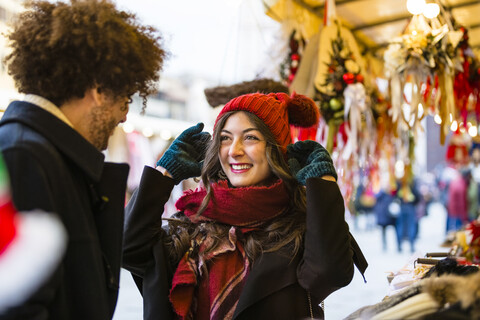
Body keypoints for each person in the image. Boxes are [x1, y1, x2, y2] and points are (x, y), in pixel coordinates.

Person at [123, 92, 368, 319]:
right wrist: (164, 173)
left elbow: (330, 273)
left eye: (250, 137)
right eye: (225, 139)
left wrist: (322, 182)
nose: (234, 151)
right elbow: (128, 249)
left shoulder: (301, 224)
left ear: (277, 150)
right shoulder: (191, 222)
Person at [0, 1, 165, 319]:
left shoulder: (46, 154)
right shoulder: (24, 156)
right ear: (100, 90)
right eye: (126, 99)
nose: (124, 115)